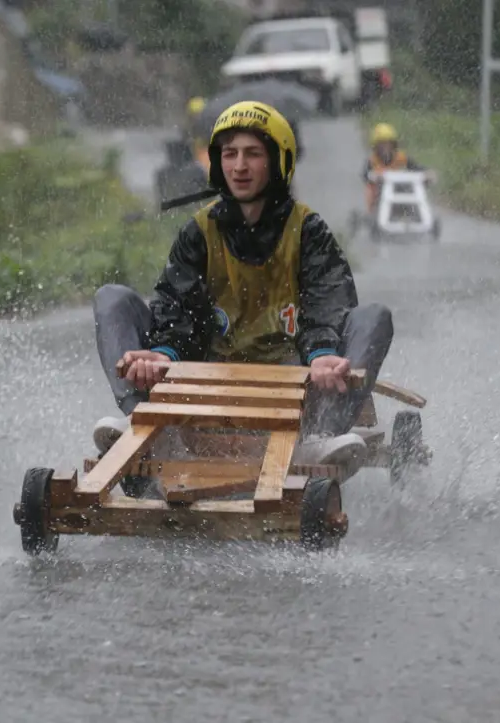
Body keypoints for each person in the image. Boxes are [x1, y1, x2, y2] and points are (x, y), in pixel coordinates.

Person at [92, 101, 394, 480]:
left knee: (375, 317)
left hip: (296, 381)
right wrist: (162, 353)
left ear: (278, 161)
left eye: (253, 154)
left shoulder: (309, 231)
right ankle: (143, 421)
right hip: (209, 379)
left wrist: (321, 354)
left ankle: (321, 437)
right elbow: (177, 308)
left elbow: (329, 303)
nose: (239, 166)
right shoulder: (198, 231)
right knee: (111, 298)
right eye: (229, 154)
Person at [363, 122, 432, 217]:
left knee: (413, 187)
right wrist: (373, 176)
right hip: (380, 195)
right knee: (371, 188)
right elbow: (365, 175)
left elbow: (415, 167)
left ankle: (417, 213)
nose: (386, 147)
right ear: (376, 147)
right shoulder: (372, 161)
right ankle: (375, 214)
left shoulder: (401, 158)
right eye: (382, 144)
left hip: (400, 190)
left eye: (388, 144)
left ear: (394, 145)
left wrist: (427, 173)